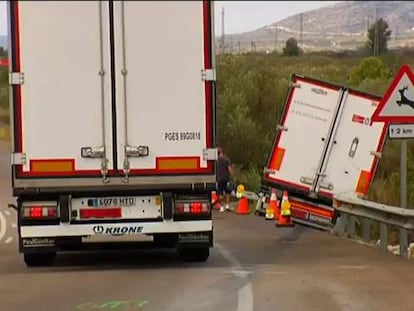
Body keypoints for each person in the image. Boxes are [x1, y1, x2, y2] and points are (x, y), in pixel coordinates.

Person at [216, 147, 233, 212]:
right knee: (227, 192)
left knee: (220, 192)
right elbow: (229, 169)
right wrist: (232, 176)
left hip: (219, 178)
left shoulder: (216, 160)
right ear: (222, 152)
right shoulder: (226, 159)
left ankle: (222, 207)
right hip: (226, 178)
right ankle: (227, 206)